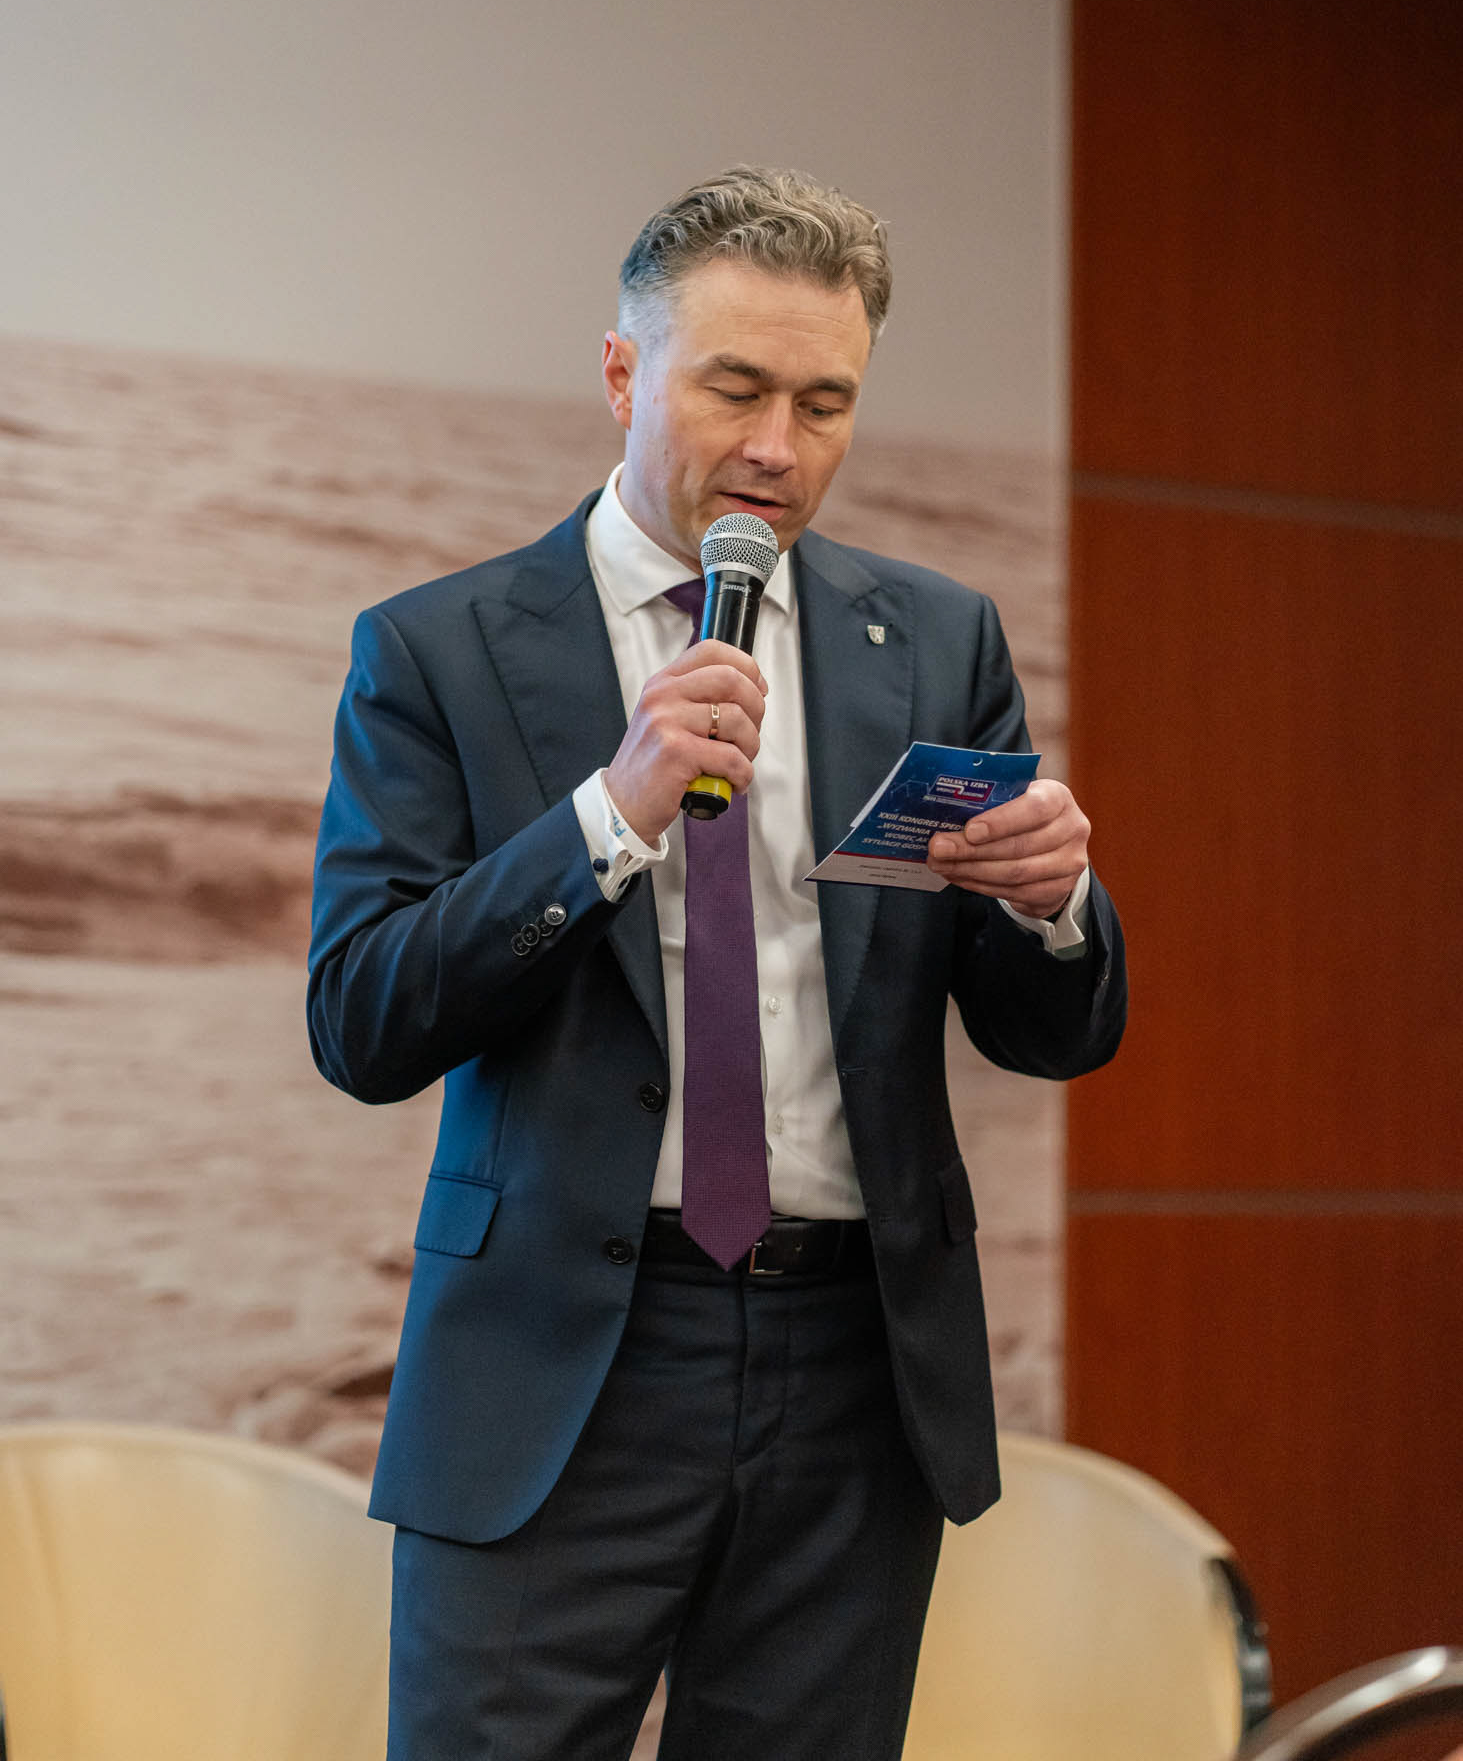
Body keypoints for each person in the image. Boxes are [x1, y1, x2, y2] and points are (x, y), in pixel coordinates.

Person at [307, 166, 1126, 1761]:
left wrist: (1054, 906)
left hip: (855, 1367)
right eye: (736, 388)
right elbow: (364, 1017)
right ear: (624, 373)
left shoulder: (936, 640)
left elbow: (1049, 1034)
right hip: (561, 1362)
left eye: (826, 403)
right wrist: (608, 817)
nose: (778, 448)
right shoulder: (439, 648)